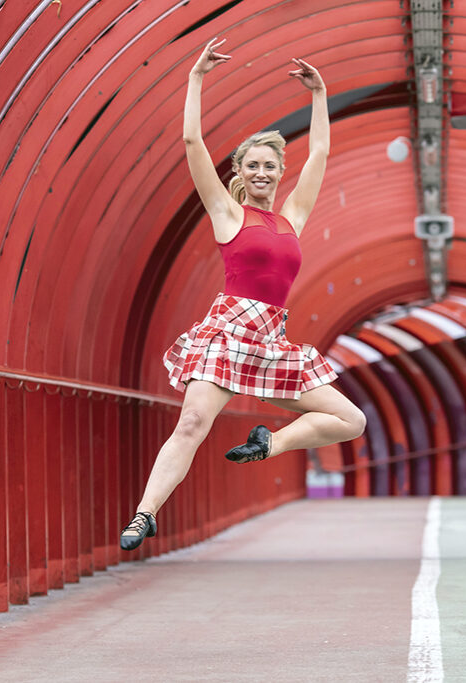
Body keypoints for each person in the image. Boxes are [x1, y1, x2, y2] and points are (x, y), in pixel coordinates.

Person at [120, 38, 366, 551]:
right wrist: (196, 79)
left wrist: (320, 94)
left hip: (271, 338)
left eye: (269, 166)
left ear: (279, 172)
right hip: (230, 331)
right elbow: (191, 144)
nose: (261, 173)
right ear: (240, 171)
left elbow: (319, 150)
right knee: (192, 422)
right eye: (251, 165)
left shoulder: (291, 217)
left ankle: (268, 444)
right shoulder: (227, 214)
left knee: (351, 420)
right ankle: (145, 514)